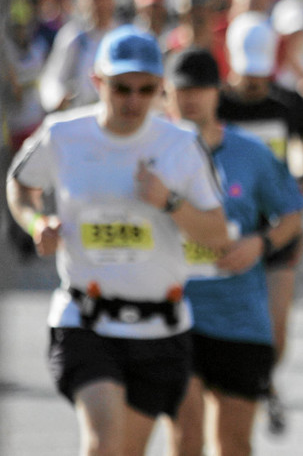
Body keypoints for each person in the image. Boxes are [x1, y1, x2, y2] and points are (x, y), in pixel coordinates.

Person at [6, 26, 230, 456]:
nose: (133, 101)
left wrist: (170, 202)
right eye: (122, 88)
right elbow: (20, 184)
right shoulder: (63, 135)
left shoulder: (180, 145)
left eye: (146, 90)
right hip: (85, 319)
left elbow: (217, 234)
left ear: (159, 89)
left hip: (159, 326)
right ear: (98, 82)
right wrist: (36, 223)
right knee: (103, 444)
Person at [161, 48, 303, 456]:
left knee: (233, 443)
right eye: (181, 89)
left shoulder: (251, 153)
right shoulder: (152, 153)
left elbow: (293, 214)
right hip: (175, 316)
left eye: (201, 88)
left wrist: (261, 243)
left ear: (217, 92)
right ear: (166, 93)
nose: (191, 98)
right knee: (186, 436)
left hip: (240, 317)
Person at [218, 11, 303, 434]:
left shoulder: (287, 102)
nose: (256, 83)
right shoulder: (218, 104)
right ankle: (234, 390)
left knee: (276, 331)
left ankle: (263, 378)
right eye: (248, 74)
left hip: (279, 230)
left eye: (261, 73)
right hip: (225, 233)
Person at [39, 0, 119, 112]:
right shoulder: (72, 35)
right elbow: (53, 77)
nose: (96, 4)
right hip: (80, 114)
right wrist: (58, 97)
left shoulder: (121, 35)